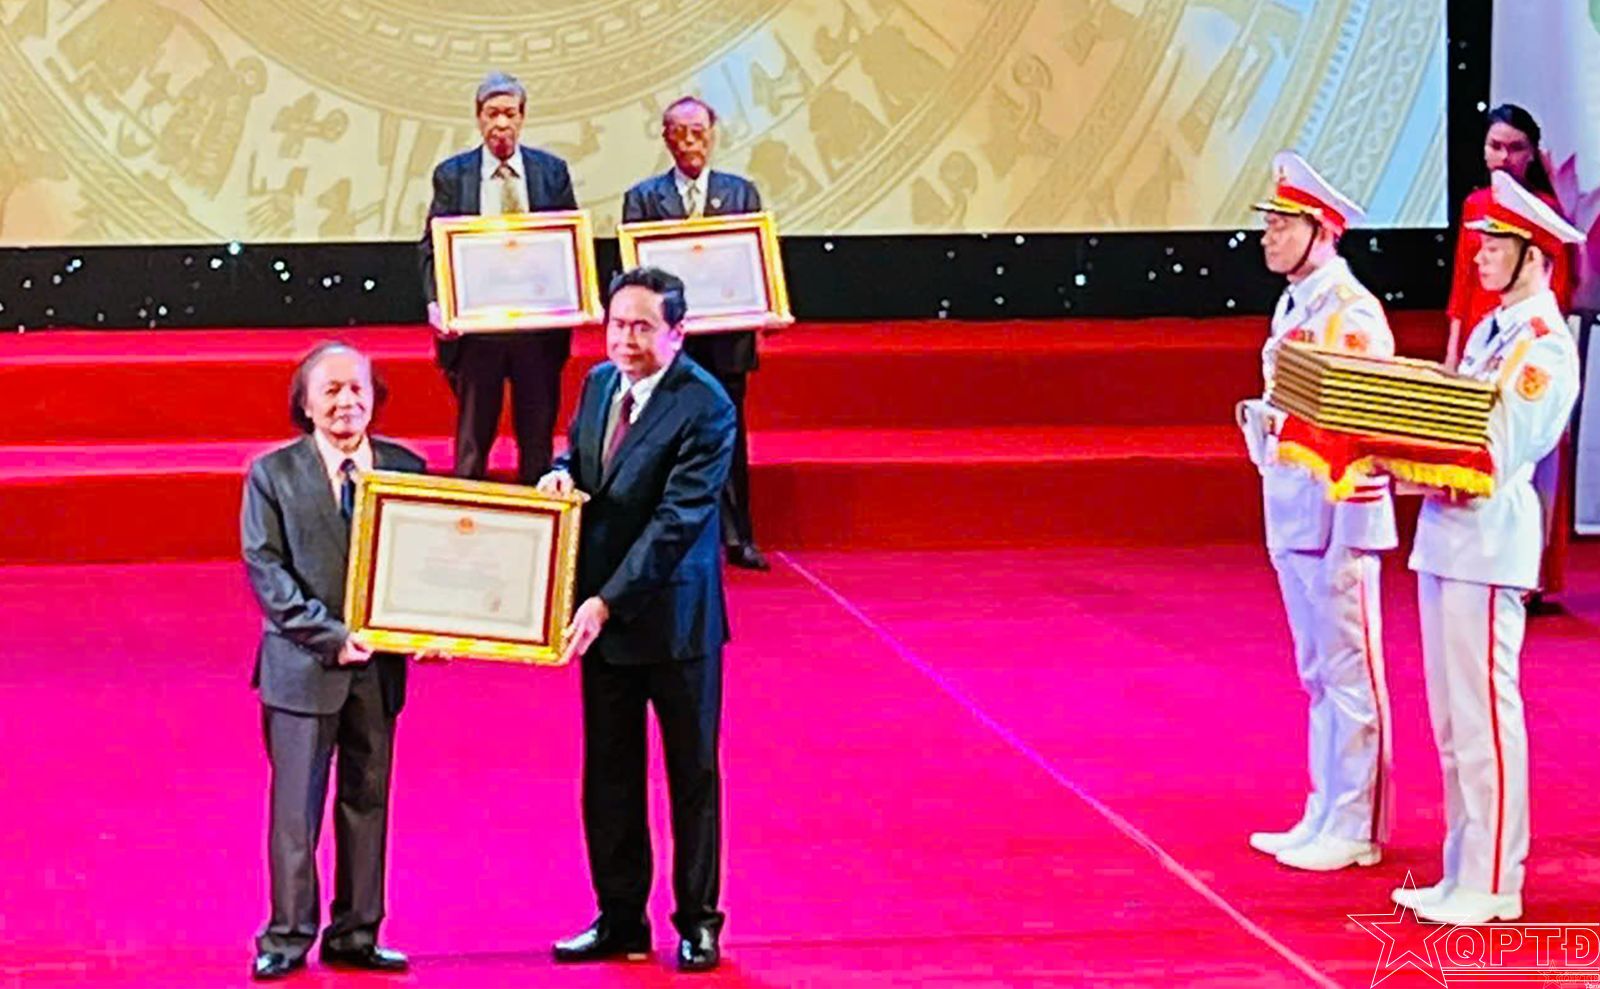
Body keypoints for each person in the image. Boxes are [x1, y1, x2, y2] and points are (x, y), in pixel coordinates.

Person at [1394, 171, 1583, 926]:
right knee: (1450, 719)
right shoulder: (1490, 331)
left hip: (1488, 537)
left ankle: (1497, 876)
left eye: (1494, 245)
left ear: (1533, 255)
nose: (1478, 257)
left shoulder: (1543, 348)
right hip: (1446, 536)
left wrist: (1410, 460)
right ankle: (1462, 867)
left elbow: (1494, 451)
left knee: (1483, 717)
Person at [538, 267, 736, 973]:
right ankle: (620, 918)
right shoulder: (598, 384)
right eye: (617, 324)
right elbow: (580, 452)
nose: (625, 339)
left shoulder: (706, 406)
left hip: (675, 624)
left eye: (642, 327)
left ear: (677, 333)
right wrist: (561, 472)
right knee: (610, 777)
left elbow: (676, 522)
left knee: (691, 776)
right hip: (603, 623)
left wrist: (607, 600)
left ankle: (699, 923)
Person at [242, 342, 426, 980]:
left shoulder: (407, 469)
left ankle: (357, 933)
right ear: (305, 403)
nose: (347, 402)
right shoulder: (272, 475)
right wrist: (331, 636)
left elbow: (429, 567)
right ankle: (287, 936)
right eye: (331, 390)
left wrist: (437, 625)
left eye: (358, 389)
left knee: (367, 803)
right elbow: (267, 573)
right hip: (302, 669)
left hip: (379, 672)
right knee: (296, 812)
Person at [1242, 151, 1397, 873]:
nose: (1268, 236)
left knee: (1348, 667)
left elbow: (1359, 420)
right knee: (1315, 669)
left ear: (1322, 230)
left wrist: (1348, 525)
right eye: (1269, 223)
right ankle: (1325, 804)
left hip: (1338, 513)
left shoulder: (1350, 311)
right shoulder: (1296, 302)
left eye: (1283, 223)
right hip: (1293, 504)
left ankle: (1356, 819)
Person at [621, 96, 770, 571]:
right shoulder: (644, 198)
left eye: (698, 131)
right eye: (679, 132)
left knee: (729, 436)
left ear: (713, 133)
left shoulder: (741, 193)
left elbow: (757, 264)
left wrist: (764, 307)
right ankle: (665, 539)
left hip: (727, 342)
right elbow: (638, 277)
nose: (689, 141)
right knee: (664, 435)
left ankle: (739, 536)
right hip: (669, 345)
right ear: (665, 137)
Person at [419, 71, 578, 483]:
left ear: (522, 117)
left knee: (537, 444)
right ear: (478, 118)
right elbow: (433, 246)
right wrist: (437, 303)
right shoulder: (453, 174)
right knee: (472, 446)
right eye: (492, 114)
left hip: (537, 331)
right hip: (478, 333)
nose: (501, 123)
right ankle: (467, 515)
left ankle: (539, 519)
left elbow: (569, 243)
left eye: (509, 113)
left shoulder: (551, 171)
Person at [1446, 105, 1577, 601]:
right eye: (1495, 146)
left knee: (1528, 458)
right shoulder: (1475, 204)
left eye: (1516, 147)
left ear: (1532, 153)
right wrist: (1453, 356)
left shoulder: (1544, 211)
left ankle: (1533, 572)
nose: (1504, 156)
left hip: (1523, 340)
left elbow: (1557, 287)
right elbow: (1462, 283)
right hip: (1483, 335)